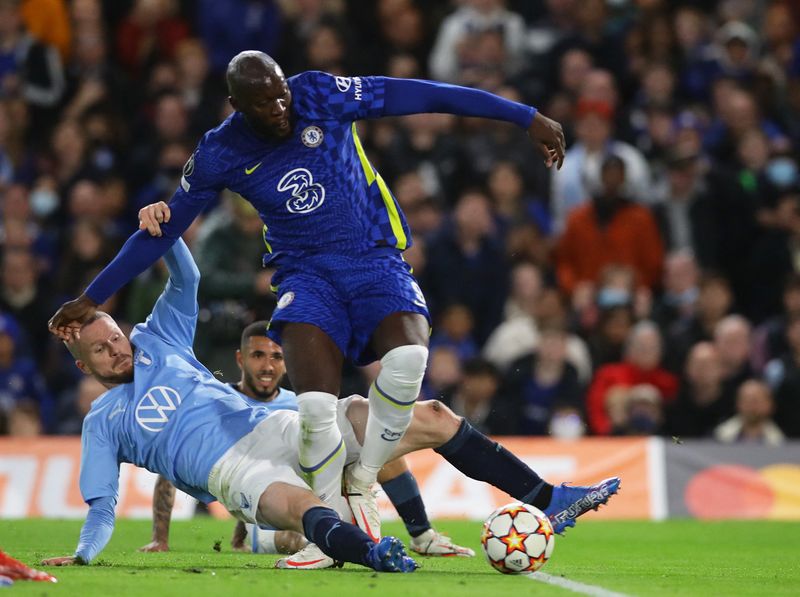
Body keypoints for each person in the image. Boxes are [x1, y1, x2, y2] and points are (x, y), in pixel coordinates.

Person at [48, 50, 567, 540]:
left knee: (409, 359)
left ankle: (366, 481)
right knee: (318, 408)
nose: (279, 109)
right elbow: (162, 234)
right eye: (264, 102)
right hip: (305, 277)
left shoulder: (319, 93)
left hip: (370, 258)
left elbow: (423, 95)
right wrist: (93, 296)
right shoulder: (221, 151)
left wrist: (524, 116)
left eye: (281, 95)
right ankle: (329, 533)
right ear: (236, 106)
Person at [42, 236, 618, 570]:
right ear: (83, 365)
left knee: (428, 417)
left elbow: (185, 279)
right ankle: (377, 553)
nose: (117, 350)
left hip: (281, 426)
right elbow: (102, 506)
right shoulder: (104, 421)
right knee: (297, 509)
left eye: (115, 337)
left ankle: (549, 498)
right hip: (234, 470)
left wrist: (162, 228)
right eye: (102, 349)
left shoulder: (155, 342)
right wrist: (85, 556)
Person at [138, 319, 475, 560]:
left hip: (318, 499)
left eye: (276, 357)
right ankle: (354, 547)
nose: (267, 366)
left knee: (377, 445)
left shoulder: (302, 404)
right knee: (294, 536)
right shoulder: (220, 406)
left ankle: (421, 534)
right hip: (269, 511)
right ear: (241, 360)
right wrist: (160, 538)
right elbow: (172, 467)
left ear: (287, 362)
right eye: (258, 356)